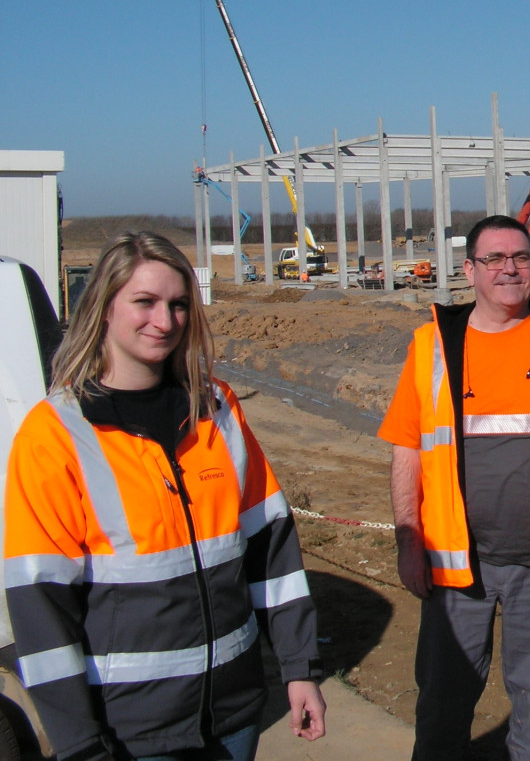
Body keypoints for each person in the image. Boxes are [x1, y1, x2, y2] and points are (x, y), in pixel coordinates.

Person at [3, 232, 326, 761]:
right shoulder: (55, 434)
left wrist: (299, 668)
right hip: (131, 729)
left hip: (234, 713)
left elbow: (271, 550)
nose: (165, 320)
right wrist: (80, 744)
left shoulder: (216, 408)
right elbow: (41, 605)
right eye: (144, 302)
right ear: (104, 309)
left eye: (178, 305)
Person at [379, 214, 530, 761]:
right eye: (494, 259)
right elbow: (406, 450)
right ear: (469, 270)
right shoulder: (432, 347)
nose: (509, 269)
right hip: (453, 565)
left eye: (520, 258)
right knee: (443, 709)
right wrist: (408, 543)